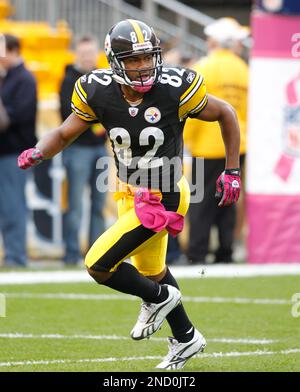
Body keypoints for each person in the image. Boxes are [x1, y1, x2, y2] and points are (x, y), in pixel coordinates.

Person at [17, 19, 241, 369]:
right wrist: (39, 150)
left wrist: (231, 170)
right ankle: (186, 338)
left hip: (164, 194)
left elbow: (226, 113)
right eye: (133, 60)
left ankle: (160, 299)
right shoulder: (97, 90)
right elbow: (63, 133)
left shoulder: (174, 88)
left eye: (147, 57)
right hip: (127, 188)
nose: (143, 66)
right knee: (153, 273)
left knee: (99, 265)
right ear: (115, 61)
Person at [184, 17, 248, 264]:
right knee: (229, 200)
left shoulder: (204, 67)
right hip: (237, 145)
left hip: (206, 145)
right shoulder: (244, 70)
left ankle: (197, 254)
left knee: (200, 203)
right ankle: (225, 251)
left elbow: (191, 108)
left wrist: (185, 140)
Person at [59, 35, 107, 265]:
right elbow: (67, 114)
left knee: (99, 205)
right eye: (84, 54)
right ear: (77, 55)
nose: (88, 58)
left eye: (91, 54)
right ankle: (71, 253)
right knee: (75, 205)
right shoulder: (68, 81)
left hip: (100, 148)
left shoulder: (104, 78)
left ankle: (97, 255)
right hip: (77, 149)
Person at [0, 34, 37, 267]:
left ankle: (16, 256)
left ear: (12, 51)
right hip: (5, 151)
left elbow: (13, 119)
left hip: (14, 153)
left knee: (13, 205)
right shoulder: (9, 78)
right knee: (7, 205)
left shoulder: (24, 79)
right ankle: (12, 254)